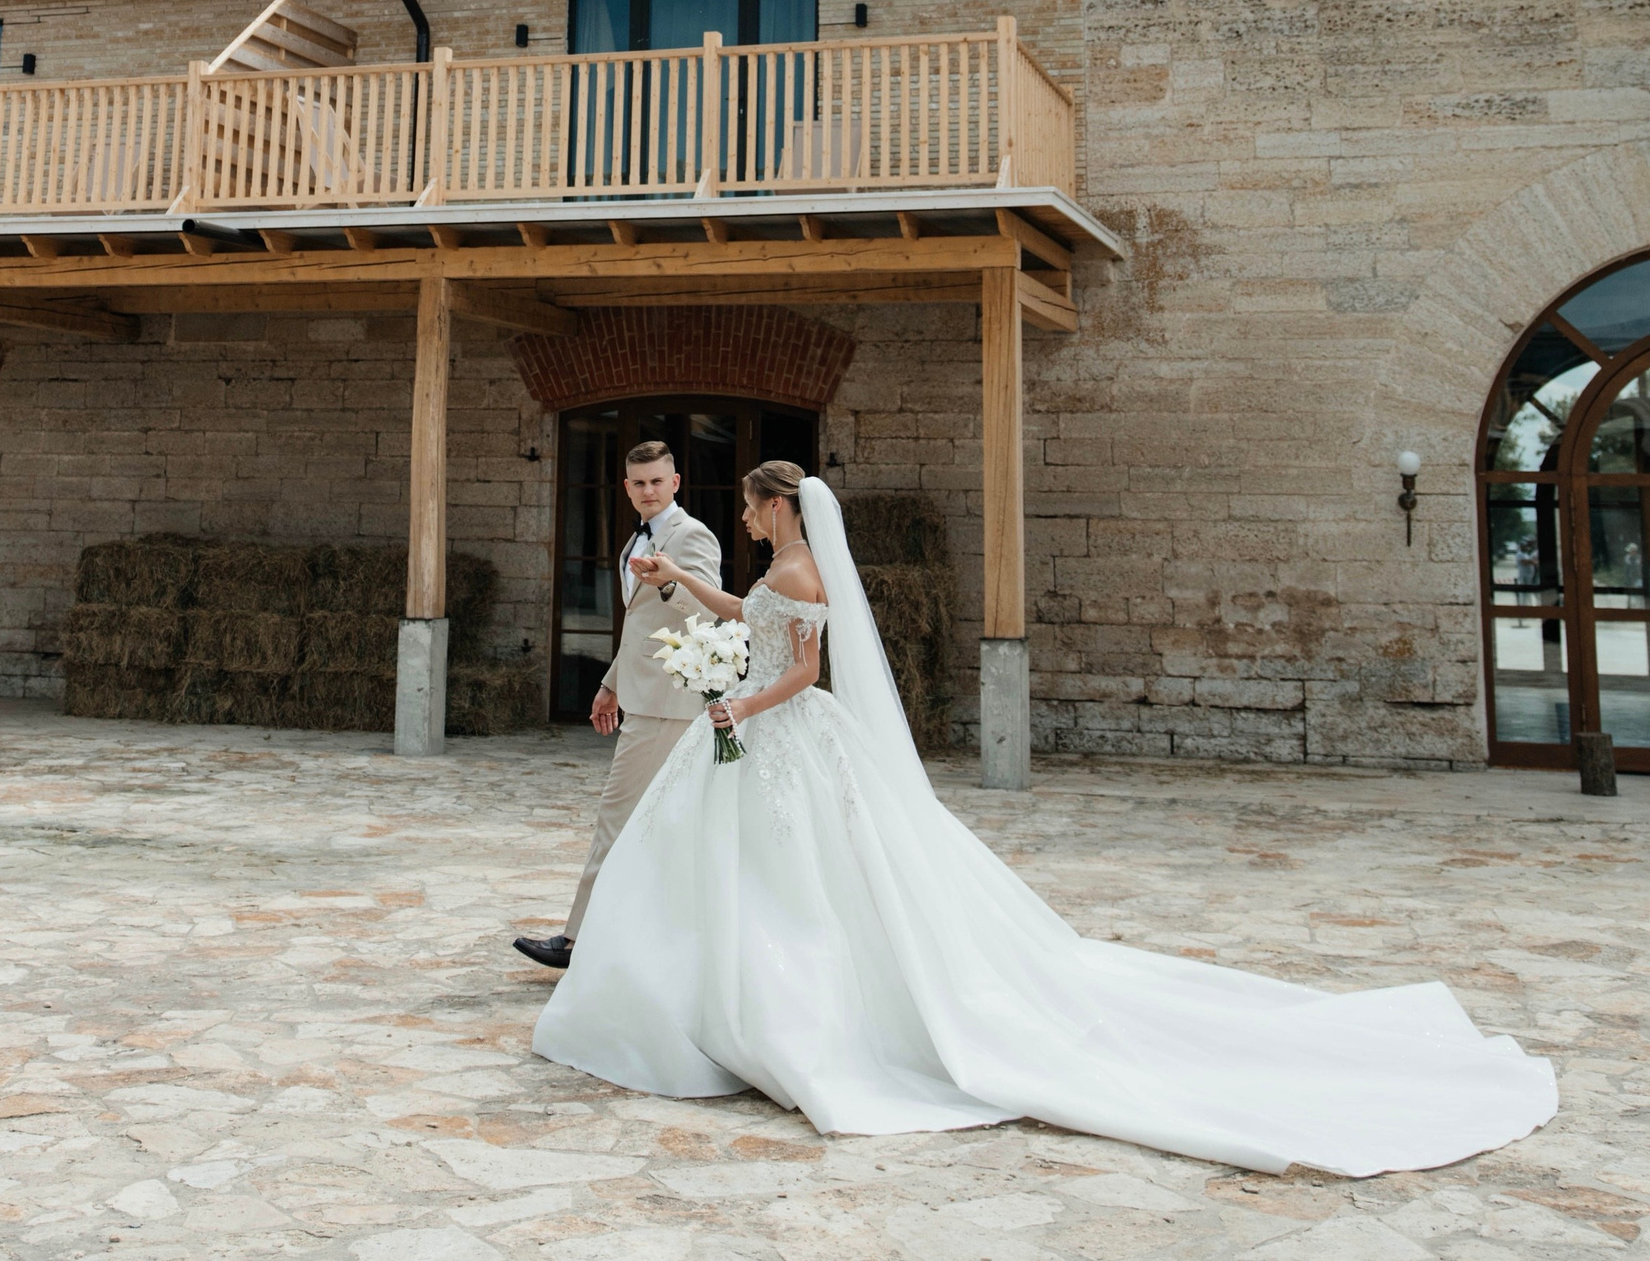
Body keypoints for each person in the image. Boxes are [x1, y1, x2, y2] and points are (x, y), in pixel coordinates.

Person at [533, 461, 1558, 1175]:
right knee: (730, 864)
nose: (749, 521)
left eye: (754, 510)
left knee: (802, 876)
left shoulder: (801, 571)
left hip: (779, 729)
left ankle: (780, 1006)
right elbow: (745, 618)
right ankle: (698, 994)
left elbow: (804, 669)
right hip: (758, 731)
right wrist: (684, 583)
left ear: (776, 508)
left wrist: (741, 707)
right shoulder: (775, 572)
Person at [513, 439, 723, 972]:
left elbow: (711, 612)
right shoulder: (636, 536)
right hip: (643, 694)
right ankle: (641, 939)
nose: (648, 491)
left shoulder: (691, 535)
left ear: (675, 483)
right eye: (639, 483)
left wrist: (671, 583)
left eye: (657, 481)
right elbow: (641, 625)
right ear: (627, 488)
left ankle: (577, 941)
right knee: (654, 823)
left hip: (668, 704)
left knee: (616, 816)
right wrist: (611, 683)